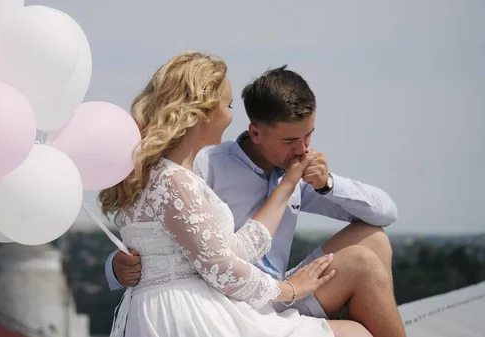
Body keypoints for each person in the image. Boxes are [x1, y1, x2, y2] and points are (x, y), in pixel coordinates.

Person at [106, 62, 407, 337]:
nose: (302, 150)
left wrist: (327, 184)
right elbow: (160, 238)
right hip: (231, 303)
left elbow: (385, 212)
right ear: (256, 132)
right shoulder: (199, 165)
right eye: (290, 141)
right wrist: (116, 267)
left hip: (280, 296)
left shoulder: (299, 172)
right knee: (362, 273)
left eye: (308, 137)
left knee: (373, 240)